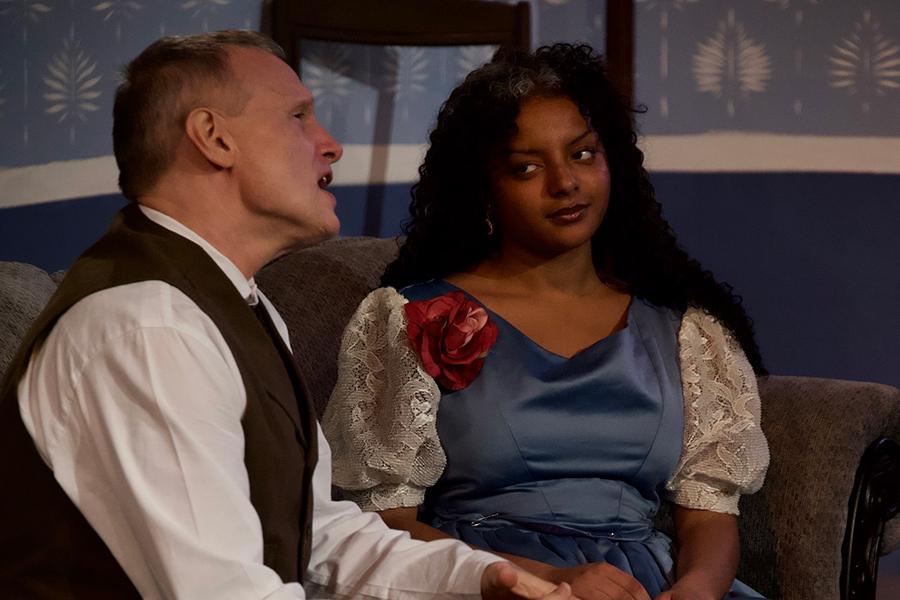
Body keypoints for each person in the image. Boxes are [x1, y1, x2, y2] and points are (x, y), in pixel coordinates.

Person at [0, 30, 578, 600]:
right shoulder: (148, 326)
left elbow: (319, 538)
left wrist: (483, 579)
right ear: (213, 138)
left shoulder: (238, 305)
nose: (330, 145)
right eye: (299, 116)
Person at [323, 44, 770, 600]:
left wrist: (698, 590)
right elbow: (386, 524)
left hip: (646, 588)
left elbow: (708, 516)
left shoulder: (687, 331)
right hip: (488, 581)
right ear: (485, 189)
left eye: (582, 154)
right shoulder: (409, 318)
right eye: (527, 168)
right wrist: (549, 580)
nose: (565, 183)